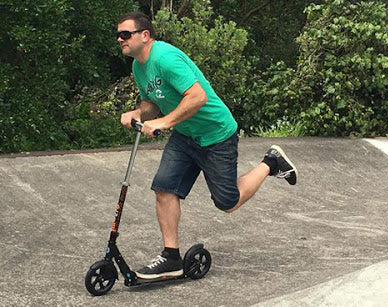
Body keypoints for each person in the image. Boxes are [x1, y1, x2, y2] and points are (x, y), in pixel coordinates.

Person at [117, 12, 298, 279]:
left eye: (125, 34)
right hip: (185, 136)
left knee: (228, 203)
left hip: (216, 134)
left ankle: (271, 162)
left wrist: (163, 123)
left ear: (145, 36)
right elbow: (152, 102)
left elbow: (198, 96)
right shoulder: (138, 67)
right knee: (164, 189)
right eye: (118, 35)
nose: (120, 39)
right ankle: (171, 257)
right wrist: (139, 114)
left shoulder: (165, 58)